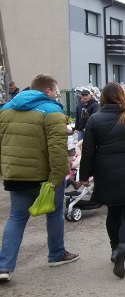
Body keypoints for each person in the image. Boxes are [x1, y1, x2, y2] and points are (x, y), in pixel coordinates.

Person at [0, 74, 79, 283]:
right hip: (45, 177)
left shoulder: (6, 110)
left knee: (16, 218)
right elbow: (57, 149)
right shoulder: (52, 111)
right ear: (47, 91)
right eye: (55, 90)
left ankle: (4, 266)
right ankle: (56, 254)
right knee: (54, 214)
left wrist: (5, 169)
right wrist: (58, 176)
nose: (56, 94)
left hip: (15, 175)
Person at [79, 82, 125, 278]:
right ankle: (122, 247)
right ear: (122, 97)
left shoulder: (94, 120)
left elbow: (87, 151)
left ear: (103, 98)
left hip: (106, 171)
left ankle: (115, 248)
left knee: (112, 210)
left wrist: (84, 176)